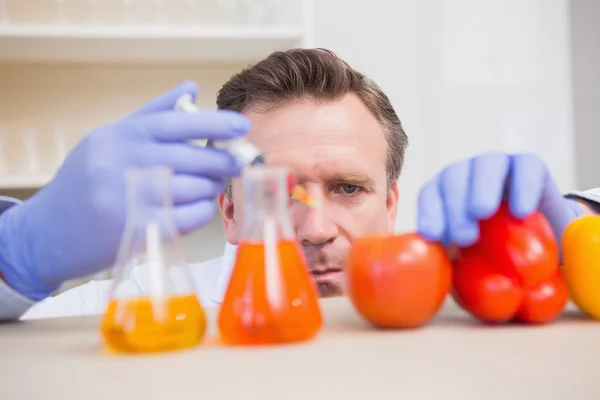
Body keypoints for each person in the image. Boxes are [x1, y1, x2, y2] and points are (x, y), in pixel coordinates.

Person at [1, 48, 599, 321]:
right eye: (277, 193)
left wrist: (576, 244)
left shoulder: (470, 300)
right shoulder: (135, 308)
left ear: (391, 202)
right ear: (229, 212)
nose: (315, 231)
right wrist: (13, 256)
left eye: (347, 188)